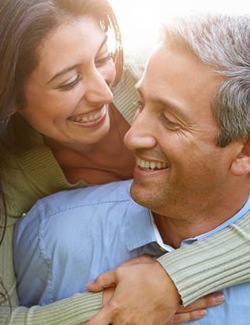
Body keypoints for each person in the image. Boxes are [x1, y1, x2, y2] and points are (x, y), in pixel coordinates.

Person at [0, 0, 248, 323]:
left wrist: (172, 280)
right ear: (13, 98)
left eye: (103, 57)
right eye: (69, 82)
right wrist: (116, 306)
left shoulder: (165, 73)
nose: (105, 92)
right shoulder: (14, 186)